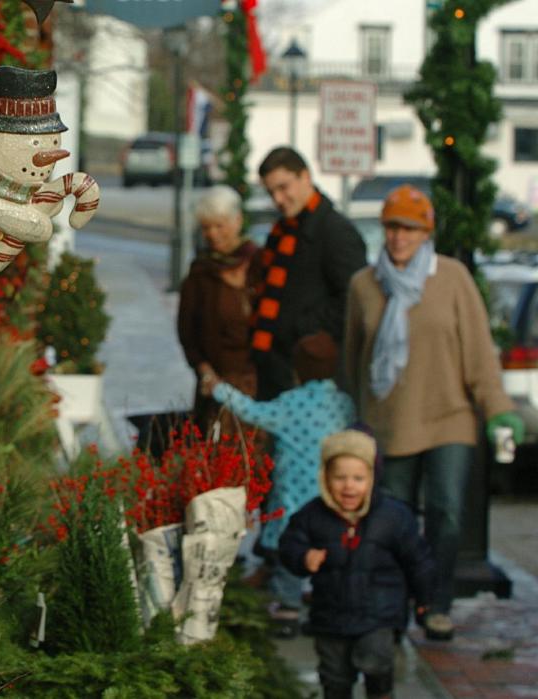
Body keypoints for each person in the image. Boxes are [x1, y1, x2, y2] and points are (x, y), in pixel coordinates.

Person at [343, 184, 524, 641]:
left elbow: (480, 352)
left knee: (445, 512)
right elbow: (352, 363)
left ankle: (436, 602)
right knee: (395, 519)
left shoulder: (453, 278)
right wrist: (350, 424)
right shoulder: (364, 285)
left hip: (451, 417)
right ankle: (398, 599)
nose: (400, 237)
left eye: (409, 228)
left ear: (426, 232)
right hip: (390, 421)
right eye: (392, 227)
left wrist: (499, 409)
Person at [213, 331, 355, 635]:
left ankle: (288, 610)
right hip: (331, 498)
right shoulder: (343, 404)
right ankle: (324, 607)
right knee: (329, 552)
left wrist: (219, 390)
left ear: (298, 369)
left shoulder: (290, 403)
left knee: (289, 554)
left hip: (291, 497)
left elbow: (252, 412)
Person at [279, 429, 436, 699]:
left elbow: (418, 559)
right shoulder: (313, 515)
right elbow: (289, 545)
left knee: (376, 663)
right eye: (339, 477)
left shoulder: (393, 516)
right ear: (325, 478)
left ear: (373, 479)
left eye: (358, 478)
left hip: (379, 615)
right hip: (330, 615)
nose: (349, 486)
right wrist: (303, 556)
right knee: (334, 677)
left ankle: (381, 693)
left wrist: (425, 599)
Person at [252, 147, 367, 400]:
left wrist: (302, 330)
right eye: (271, 192)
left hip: (312, 372)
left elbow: (353, 299)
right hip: (278, 369)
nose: (278, 199)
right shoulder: (283, 230)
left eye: (284, 187)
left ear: (306, 177)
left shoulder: (336, 231)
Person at [178, 185, 260, 435]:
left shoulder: (260, 263)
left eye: (219, 225)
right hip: (214, 382)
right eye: (206, 227)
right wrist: (204, 371)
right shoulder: (201, 271)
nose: (212, 234)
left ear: (237, 221)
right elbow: (187, 329)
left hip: (257, 383)